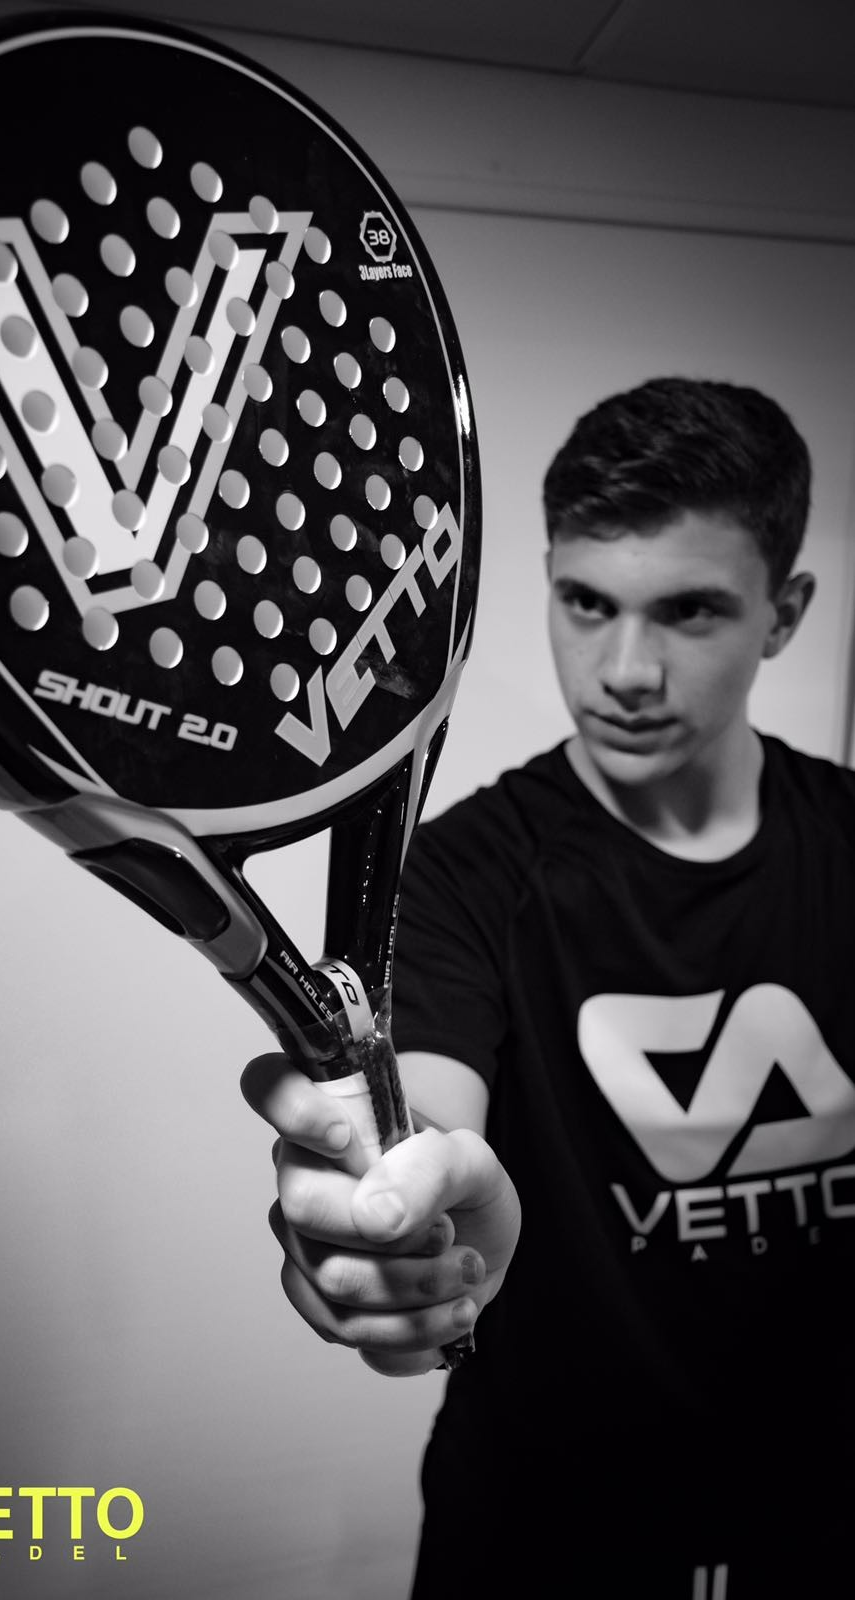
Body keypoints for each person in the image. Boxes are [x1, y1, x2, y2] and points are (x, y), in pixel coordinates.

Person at [241, 377, 855, 1598]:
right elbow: (432, 1124)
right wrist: (420, 1217)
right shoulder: (464, 871)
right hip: (544, 1520)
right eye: (585, 602)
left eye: (688, 611)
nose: (624, 669)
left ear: (781, 615)